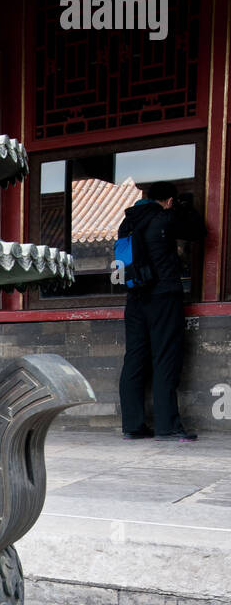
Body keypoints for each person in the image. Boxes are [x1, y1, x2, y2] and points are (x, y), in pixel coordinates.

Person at [117, 181, 206, 441]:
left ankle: (133, 426)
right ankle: (167, 426)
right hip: (163, 296)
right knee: (165, 357)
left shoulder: (128, 221)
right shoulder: (165, 218)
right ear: (168, 200)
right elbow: (199, 232)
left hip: (135, 298)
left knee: (134, 358)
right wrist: (185, 208)